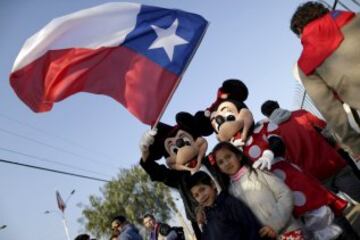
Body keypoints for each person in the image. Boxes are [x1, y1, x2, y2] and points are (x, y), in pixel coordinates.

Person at [290, 1, 360, 160]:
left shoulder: (305, 64)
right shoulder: (355, 19)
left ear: (300, 30)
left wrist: (354, 144)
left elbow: (330, 110)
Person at [212, 141, 312, 239]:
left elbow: (285, 194)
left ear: (239, 156)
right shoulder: (230, 192)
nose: (226, 163)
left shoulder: (257, 171)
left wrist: (273, 225)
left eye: (228, 157)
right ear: (219, 169)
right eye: (221, 162)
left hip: (288, 231)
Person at [186, 171, 264, 240]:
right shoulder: (205, 216)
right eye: (196, 195)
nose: (201, 196)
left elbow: (251, 229)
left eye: (202, 189)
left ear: (212, 184)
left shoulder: (230, 203)